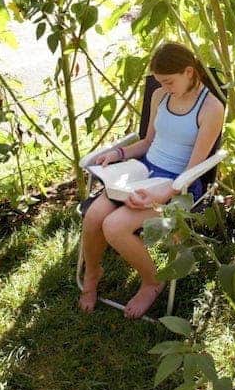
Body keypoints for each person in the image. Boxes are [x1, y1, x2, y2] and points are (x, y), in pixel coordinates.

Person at [79, 41, 225, 319]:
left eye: (169, 81)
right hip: (143, 170)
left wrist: (162, 194)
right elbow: (147, 142)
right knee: (94, 216)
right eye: (160, 82)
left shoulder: (211, 109)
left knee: (115, 226)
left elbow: (193, 170)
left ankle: (152, 281)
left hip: (178, 183)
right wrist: (118, 153)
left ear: (189, 72)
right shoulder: (159, 96)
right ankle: (93, 273)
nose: (164, 87)